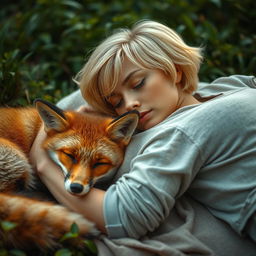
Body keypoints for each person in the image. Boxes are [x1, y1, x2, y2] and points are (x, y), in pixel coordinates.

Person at [30, 20, 256, 255]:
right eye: (116, 102)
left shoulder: (226, 87)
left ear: (174, 70)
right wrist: (45, 163)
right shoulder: (182, 131)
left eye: (138, 83)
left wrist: (42, 160)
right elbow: (123, 216)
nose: (130, 104)